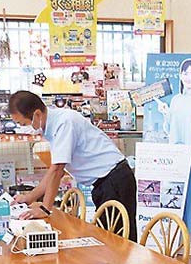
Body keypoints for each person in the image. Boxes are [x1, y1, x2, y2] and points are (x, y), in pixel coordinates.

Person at [8, 90, 138, 240]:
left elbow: (57, 170)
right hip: (105, 181)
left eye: (23, 124)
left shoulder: (64, 122)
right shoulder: (52, 126)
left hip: (114, 179)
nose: (23, 129)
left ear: (37, 114)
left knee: (120, 241)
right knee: (108, 239)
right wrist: (30, 197)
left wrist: (45, 208)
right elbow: (55, 171)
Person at [155, 58, 191, 146]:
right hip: (176, 151)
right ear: (180, 76)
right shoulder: (176, 99)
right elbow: (169, 129)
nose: (188, 78)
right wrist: (165, 113)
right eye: (185, 74)